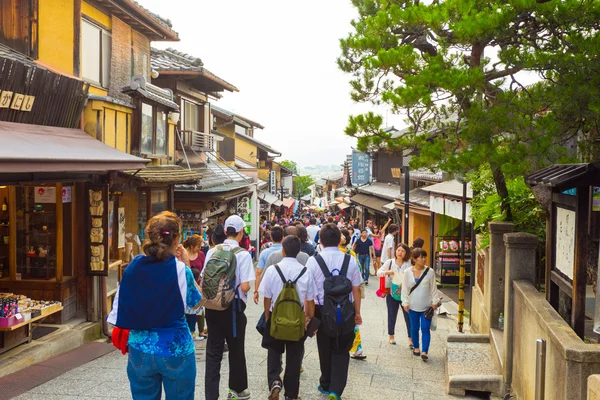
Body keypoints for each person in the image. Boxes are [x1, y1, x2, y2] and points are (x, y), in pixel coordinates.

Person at [107, 211, 201, 400]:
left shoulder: (133, 266)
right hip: (175, 347)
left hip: (140, 347)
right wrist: (187, 264)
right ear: (177, 240)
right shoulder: (180, 269)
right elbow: (196, 305)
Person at [305, 224, 363, 400]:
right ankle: (336, 390)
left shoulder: (313, 261)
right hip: (346, 310)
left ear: (320, 241)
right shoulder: (350, 260)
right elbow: (356, 289)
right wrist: (357, 313)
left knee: (324, 347)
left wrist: (309, 317)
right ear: (340, 240)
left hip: (321, 311)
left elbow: (309, 293)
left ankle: (326, 383)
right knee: (342, 349)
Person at [204, 215, 255, 400]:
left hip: (212, 307)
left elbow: (204, 278)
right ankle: (237, 389)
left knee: (213, 352)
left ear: (225, 231)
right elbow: (245, 286)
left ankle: (211, 394)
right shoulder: (242, 254)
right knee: (236, 349)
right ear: (241, 232)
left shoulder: (212, 251)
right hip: (233, 309)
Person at [259, 236, 316, 400]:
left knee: (274, 352)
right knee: (294, 357)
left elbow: (267, 298)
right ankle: (291, 393)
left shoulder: (272, 270)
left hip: (276, 320)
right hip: (297, 322)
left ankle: (275, 382)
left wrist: (269, 317)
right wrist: (309, 319)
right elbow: (310, 300)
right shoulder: (306, 271)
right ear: (299, 251)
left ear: (282, 250)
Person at [402, 248, 442, 362]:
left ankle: (424, 351)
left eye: (425, 257)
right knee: (414, 328)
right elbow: (405, 289)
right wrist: (405, 302)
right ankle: (416, 347)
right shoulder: (407, 272)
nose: (424, 259)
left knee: (425, 328)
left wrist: (435, 302)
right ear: (414, 259)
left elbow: (434, 288)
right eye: (421, 257)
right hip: (412, 306)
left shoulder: (430, 272)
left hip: (427, 307)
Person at [377, 243, 412, 346]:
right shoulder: (390, 262)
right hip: (392, 292)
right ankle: (391, 336)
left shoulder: (409, 263)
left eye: (402, 251)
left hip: (406, 294)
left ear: (406, 253)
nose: (400, 253)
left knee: (408, 316)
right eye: (398, 250)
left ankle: (410, 338)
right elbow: (379, 272)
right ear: (395, 251)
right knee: (392, 315)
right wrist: (389, 272)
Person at [255, 226, 284, 304]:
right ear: (283, 237)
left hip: (269, 285)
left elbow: (259, 272)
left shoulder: (265, 252)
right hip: (285, 286)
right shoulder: (286, 250)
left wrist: (256, 291)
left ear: (271, 237)